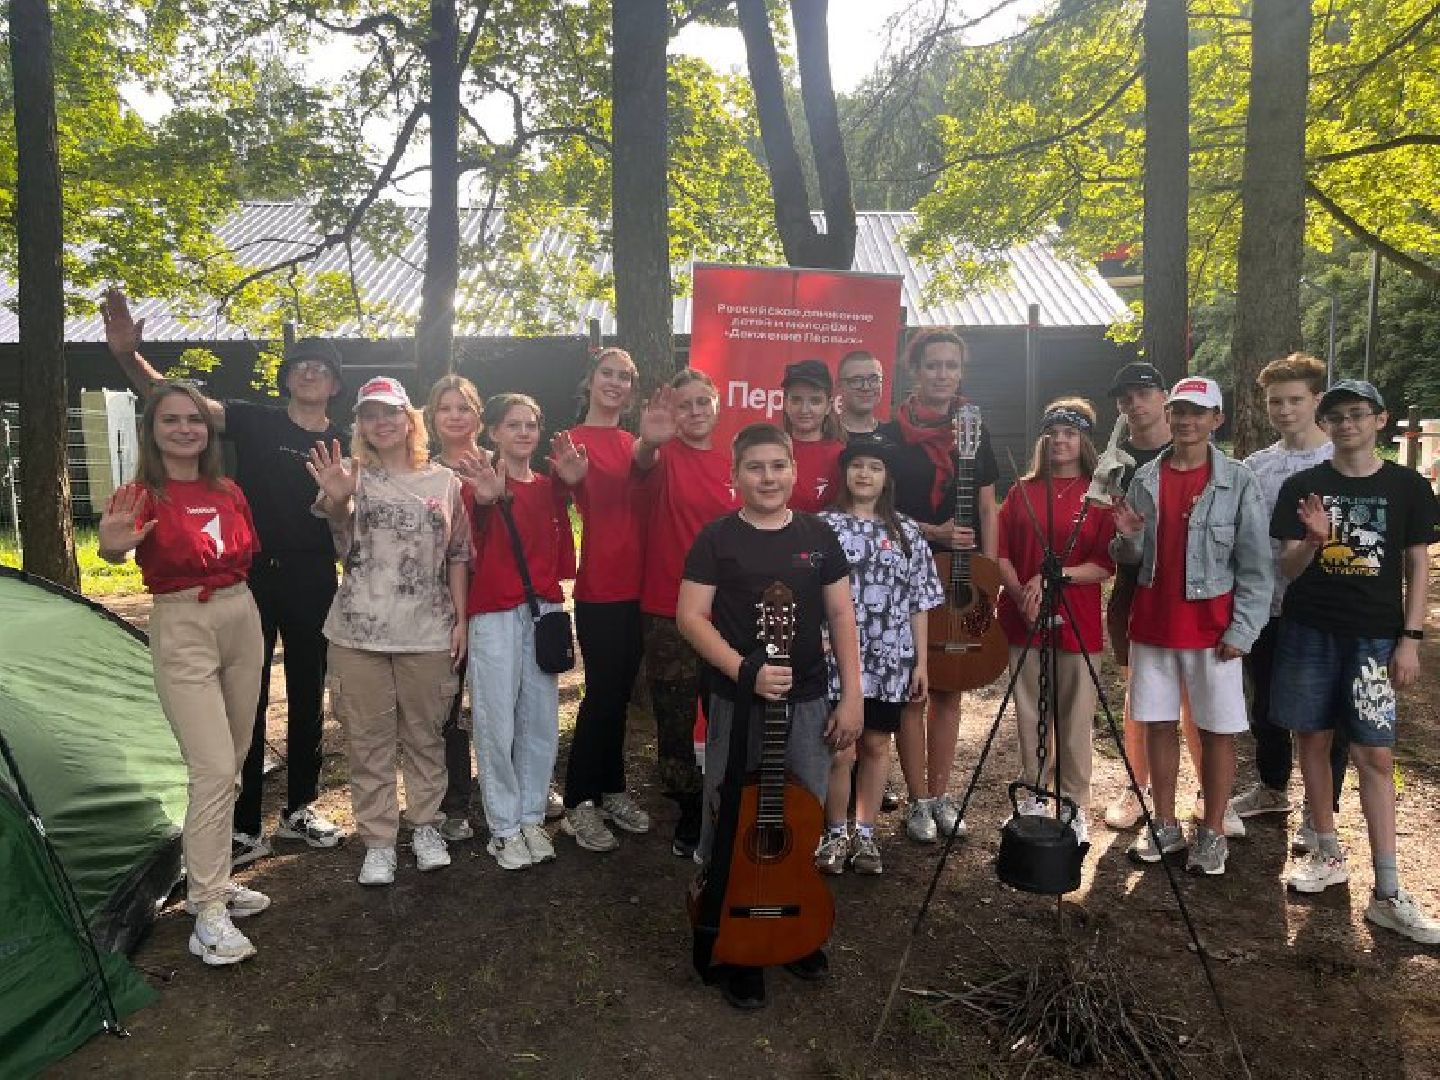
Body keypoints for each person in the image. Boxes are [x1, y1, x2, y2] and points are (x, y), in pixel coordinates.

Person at [102, 289, 345, 866]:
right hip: (250, 576)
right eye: (301, 365)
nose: (310, 374)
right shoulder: (255, 420)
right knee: (248, 696)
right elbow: (175, 402)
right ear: (288, 379)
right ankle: (241, 823)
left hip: (315, 575)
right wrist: (126, 357)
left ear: (335, 384)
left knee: (310, 689)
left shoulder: (346, 440)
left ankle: (300, 810)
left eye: (322, 368)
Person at [677, 422, 863, 1010]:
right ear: (735, 477)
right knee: (730, 812)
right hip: (738, 701)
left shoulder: (818, 536)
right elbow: (691, 617)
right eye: (754, 467)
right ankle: (732, 936)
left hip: (807, 699)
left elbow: (840, 619)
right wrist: (743, 670)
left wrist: (851, 696)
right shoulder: (716, 538)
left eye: (777, 466)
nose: (768, 478)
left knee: (799, 810)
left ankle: (791, 917)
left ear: (794, 471)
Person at [98, 382, 267, 964]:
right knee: (213, 767)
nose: (185, 429)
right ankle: (209, 914)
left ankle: (211, 884)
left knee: (236, 757)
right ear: (152, 429)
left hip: (241, 616)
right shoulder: (141, 493)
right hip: (182, 621)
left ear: (208, 429)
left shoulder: (228, 490)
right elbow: (115, 548)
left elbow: (244, 551)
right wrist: (111, 550)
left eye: (194, 419)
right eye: (171, 420)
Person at [1270, 380, 1440, 942]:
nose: (1346, 425)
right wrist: (1314, 541)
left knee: (1375, 753)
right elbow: (1286, 571)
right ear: (1325, 423)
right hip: (1307, 630)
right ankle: (1326, 850)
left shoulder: (1407, 486)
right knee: (1312, 740)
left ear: (1379, 420)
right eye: (1336, 416)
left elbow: (1417, 564)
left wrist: (1409, 638)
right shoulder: (1303, 485)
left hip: (1374, 639)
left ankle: (1388, 890)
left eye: (1357, 415)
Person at [308, 377, 472, 886]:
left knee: (425, 737)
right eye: (370, 415)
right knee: (368, 741)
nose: (382, 422)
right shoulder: (351, 476)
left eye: (391, 413)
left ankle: (424, 825)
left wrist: (461, 618)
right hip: (358, 634)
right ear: (359, 424)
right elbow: (340, 529)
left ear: (410, 420)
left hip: (427, 631)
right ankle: (378, 840)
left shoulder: (445, 481)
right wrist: (338, 500)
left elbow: (459, 553)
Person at [1111, 376, 1272, 875]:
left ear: (1216, 420)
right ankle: (1163, 822)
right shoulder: (1144, 479)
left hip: (1212, 631)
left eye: (1198, 412)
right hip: (1152, 628)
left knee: (1217, 731)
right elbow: (1131, 558)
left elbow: (1256, 566)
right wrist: (1129, 539)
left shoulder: (1238, 480)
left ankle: (1213, 831)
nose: (1186, 421)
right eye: (1179, 411)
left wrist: (1242, 631)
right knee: (1156, 726)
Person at [879, 328, 999, 844]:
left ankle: (943, 793)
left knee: (950, 689)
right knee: (913, 691)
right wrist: (934, 532)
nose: (942, 374)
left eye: (951, 366)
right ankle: (917, 799)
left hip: (960, 576)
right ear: (916, 370)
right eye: (933, 365)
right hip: (908, 568)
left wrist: (988, 570)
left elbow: (989, 505)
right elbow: (878, 507)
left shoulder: (975, 430)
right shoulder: (890, 435)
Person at [459, 393, 588, 871]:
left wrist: (573, 483)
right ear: (494, 432)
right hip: (494, 612)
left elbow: (570, 506)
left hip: (545, 610)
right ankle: (504, 827)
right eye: (512, 425)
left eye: (531, 424)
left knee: (540, 718)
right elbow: (469, 537)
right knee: (497, 722)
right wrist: (486, 499)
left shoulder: (549, 486)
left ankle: (533, 815)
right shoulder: (480, 484)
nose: (523, 432)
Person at [1226, 354, 1348, 848]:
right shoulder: (1257, 467)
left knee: (1325, 713)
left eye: (1295, 399)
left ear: (1316, 400)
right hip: (1268, 606)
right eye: (1275, 401)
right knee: (1269, 705)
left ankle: (1322, 811)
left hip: (1326, 610)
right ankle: (1273, 786)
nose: (1284, 409)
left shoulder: (1338, 461)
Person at [814, 434, 943, 875]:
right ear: (845, 474)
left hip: (889, 657)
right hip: (835, 658)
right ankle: (833, 833)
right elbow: (807, 591)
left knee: (874, 743)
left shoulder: (906, 532)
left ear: (887, 477)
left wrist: (921, 662)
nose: (864, 473)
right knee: (840, 747)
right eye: (856, 466)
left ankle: (865, 834)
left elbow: (919, 602)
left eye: (874, 466)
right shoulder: (823, 526)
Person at [995, 399, 1115, 844]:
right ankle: (1033, 793)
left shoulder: (1099, 494)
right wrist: (1018, 592)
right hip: (1023, 617)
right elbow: (1001, 551)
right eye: (1053, 432)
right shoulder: (1022, 490)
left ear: (1084, 440)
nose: (1060, 440)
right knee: (1030, 710)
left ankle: (1073, 803)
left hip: (1075, 619)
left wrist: (1054, 579)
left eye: (1070, 432)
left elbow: (1104, 563)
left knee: (1075, 714)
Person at [635, 369, 740, 857]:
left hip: (728, 614)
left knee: (728, 712)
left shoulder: (733, 462)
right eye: (685, 404)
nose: (695, 412)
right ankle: (689, 811)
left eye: (703, 402)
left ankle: (727, 799)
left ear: (716, 406)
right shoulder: (661, 458)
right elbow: (639, 467)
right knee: (676, 718)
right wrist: (647, 444)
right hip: (669, 611)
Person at [1100, 361, 1206, 831]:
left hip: (1193, 592)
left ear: (1164, 396)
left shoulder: (1196, 450)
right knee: (1140, 694)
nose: (1134, 404)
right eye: (1125, 397)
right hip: (1133, 589)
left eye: (1144, 393)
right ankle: (1136, 784)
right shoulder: (1114, 463)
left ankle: (1205, 789)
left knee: (1192, 696)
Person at [559, 348, 653, 852]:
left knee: (618, 695)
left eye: (625, 376)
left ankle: (612, 788)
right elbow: (552, 504)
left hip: (642, 586)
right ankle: (579, 802)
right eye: (607, 374)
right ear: (590, 381)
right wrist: (567, 481)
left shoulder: (636, 444)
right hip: (600, 587)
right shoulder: (571, 442)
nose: (615, 383)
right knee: (599, 695)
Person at [424, 375, 490, 843]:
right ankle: (453, 802)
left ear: (478, 417)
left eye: (464, 408)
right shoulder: (423, 473)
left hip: (498, 599)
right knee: (447, 707)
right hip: (444, 603)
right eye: (445, 408)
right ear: (431, 418)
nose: (455, 416)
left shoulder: (500, 463)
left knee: (502, 700)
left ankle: (517, 786)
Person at [780, 359, 844, 513]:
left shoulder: (841, 456)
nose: (804, 410)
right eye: (796, 400)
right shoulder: (770, 450)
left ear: (828, 406)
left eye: (815, 401)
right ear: (785, 403)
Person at [836, 350, 885, 438]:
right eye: (856, 380)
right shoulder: (822, 436)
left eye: (874, 379)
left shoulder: (896, 437)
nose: (866, 387)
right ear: (839, 386)